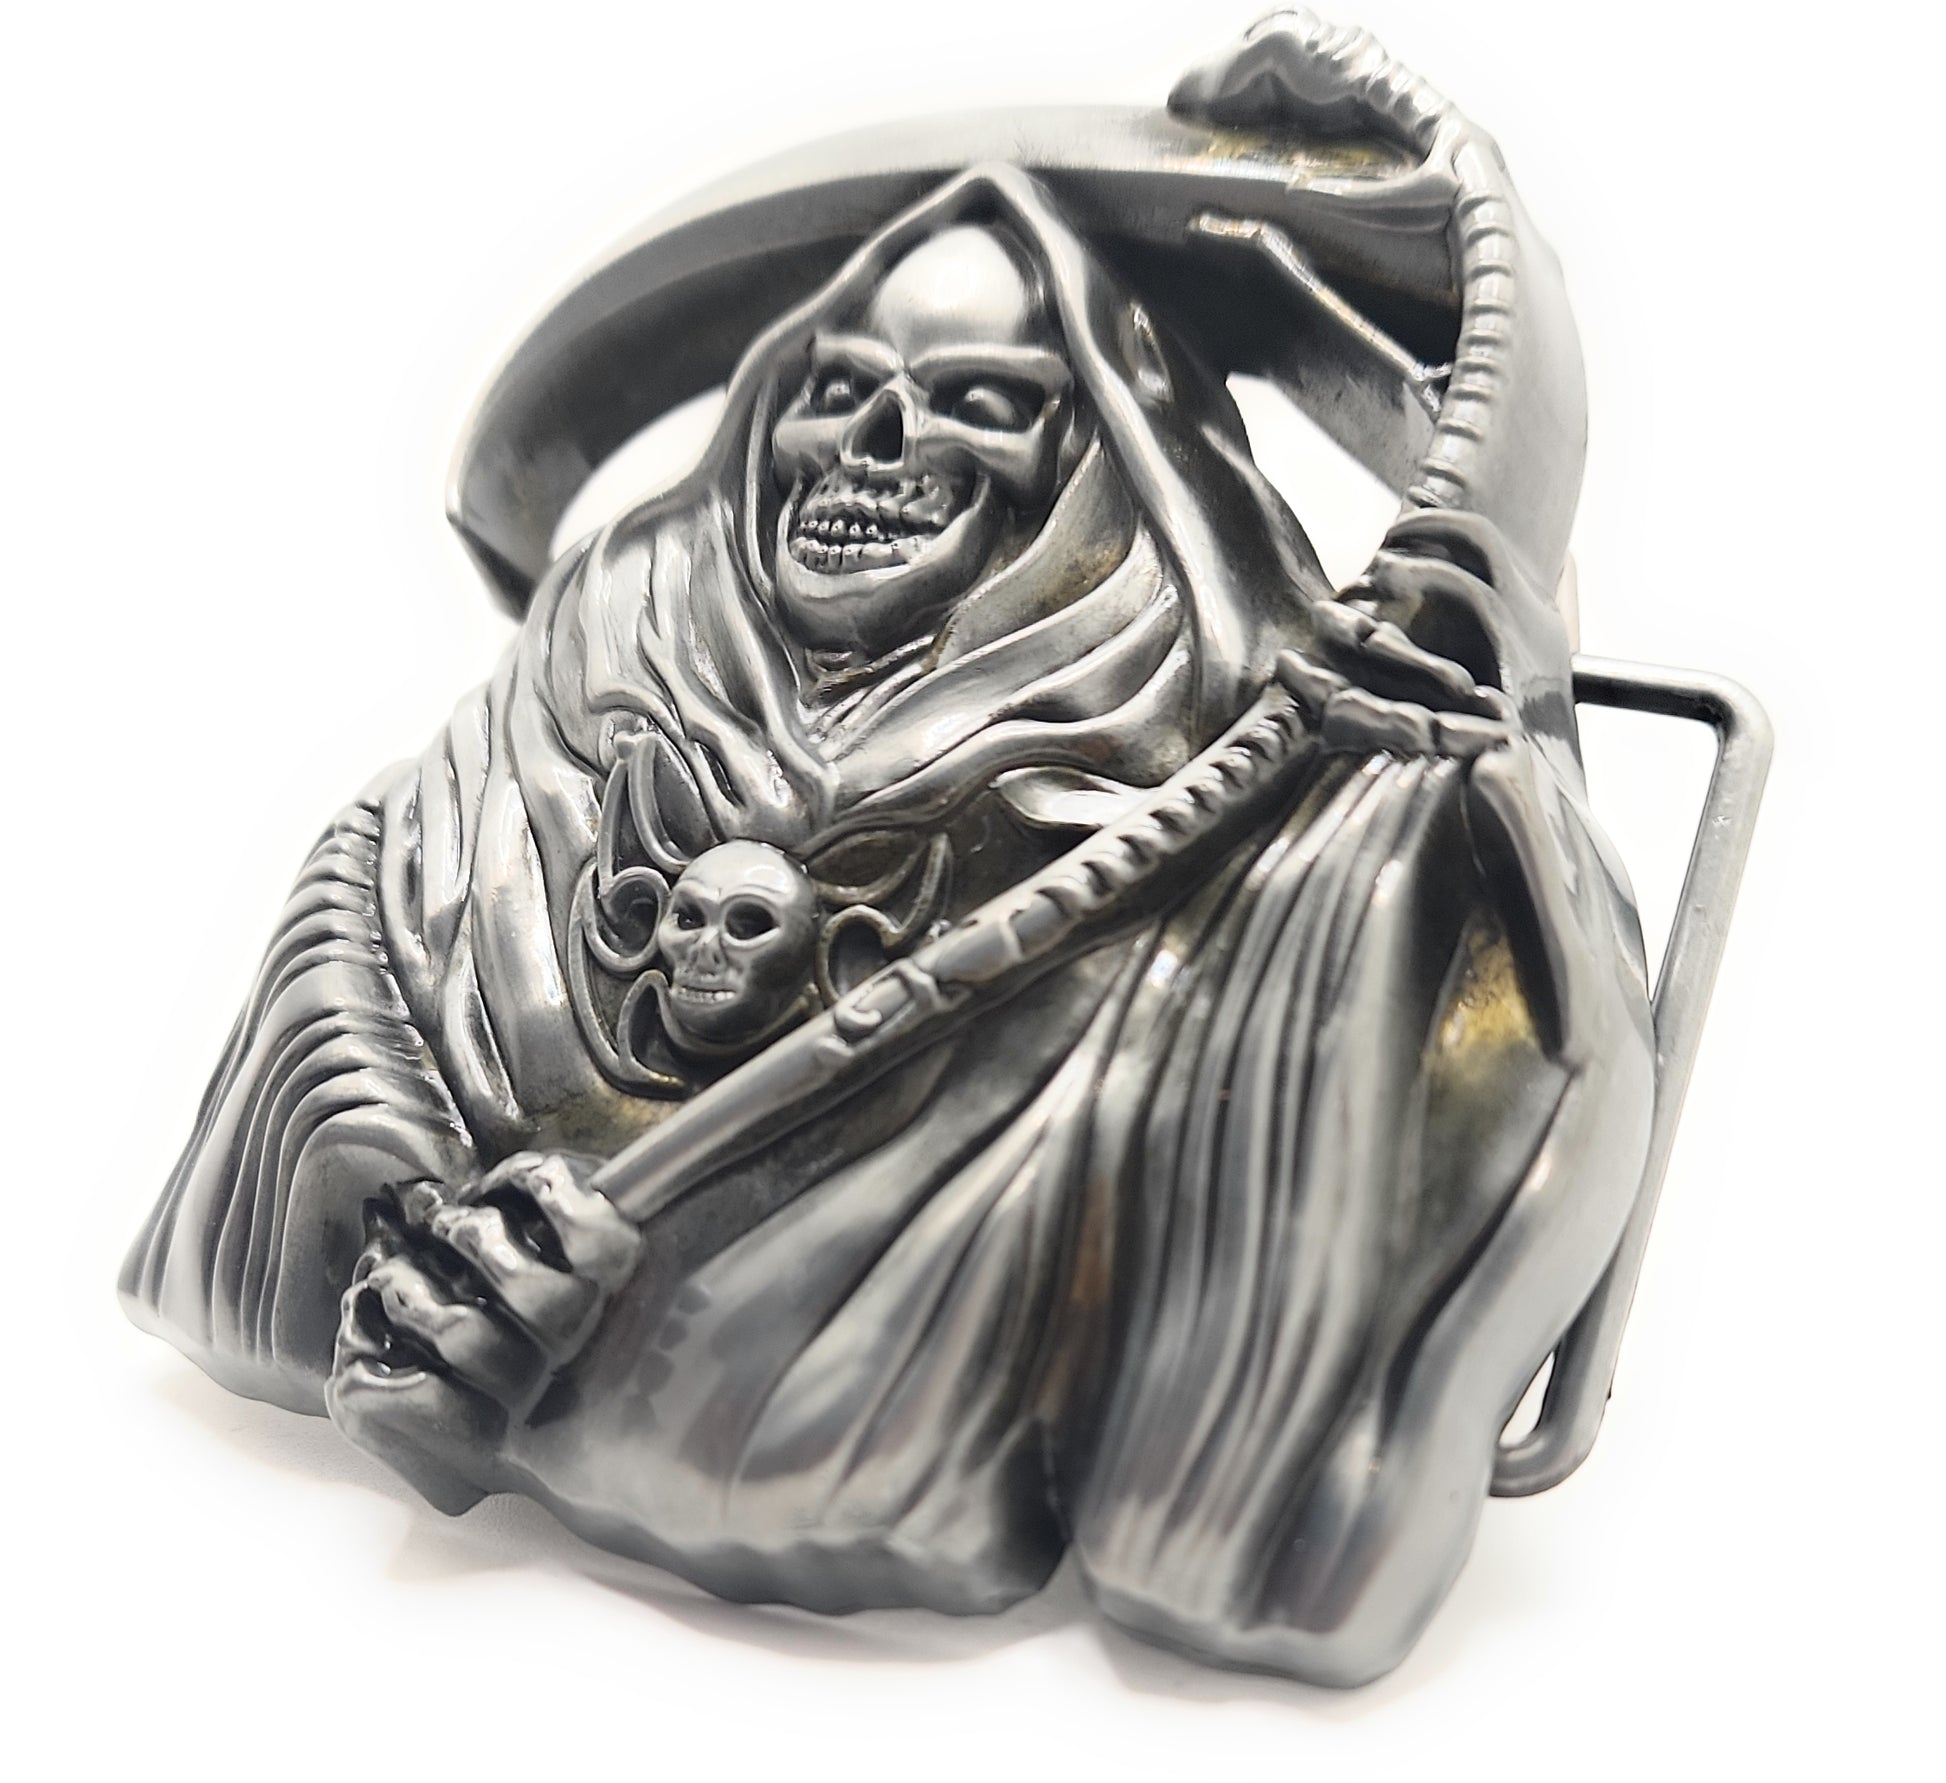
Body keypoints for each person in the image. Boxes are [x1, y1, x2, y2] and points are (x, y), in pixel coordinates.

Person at [124, 163, 1653, 1685]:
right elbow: (346, 972)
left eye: (979, 403)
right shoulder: (562, 695)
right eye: (835, 390)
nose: (869, 446)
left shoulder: (1255, 832)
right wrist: (400, 1223)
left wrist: (1469, 767)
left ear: (1103, 465)